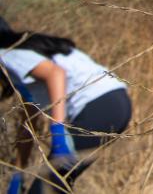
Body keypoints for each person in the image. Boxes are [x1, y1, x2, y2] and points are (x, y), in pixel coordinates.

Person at [1, 27, 132, 194]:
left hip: (99, 105)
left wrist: (58, 131)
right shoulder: (25, 64)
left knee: (46, 187)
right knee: (55, 185)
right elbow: (28, 124)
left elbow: (56, 74)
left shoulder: (7, 55)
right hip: (114, 104)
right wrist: (18, 174)